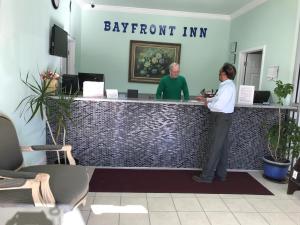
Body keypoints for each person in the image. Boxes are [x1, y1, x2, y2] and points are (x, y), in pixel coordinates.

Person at [193, 63, 236, 183]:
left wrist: (208, 104)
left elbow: (219, 105)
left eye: (220, 72)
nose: (219, 74)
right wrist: (206, 99)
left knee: (214, 148)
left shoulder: (228, 87)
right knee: (222, 148)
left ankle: (206, 176)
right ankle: (221, 174)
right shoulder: (227, 85)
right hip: (224, 118)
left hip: (221, 118)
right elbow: (218, 98)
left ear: (225, 74)